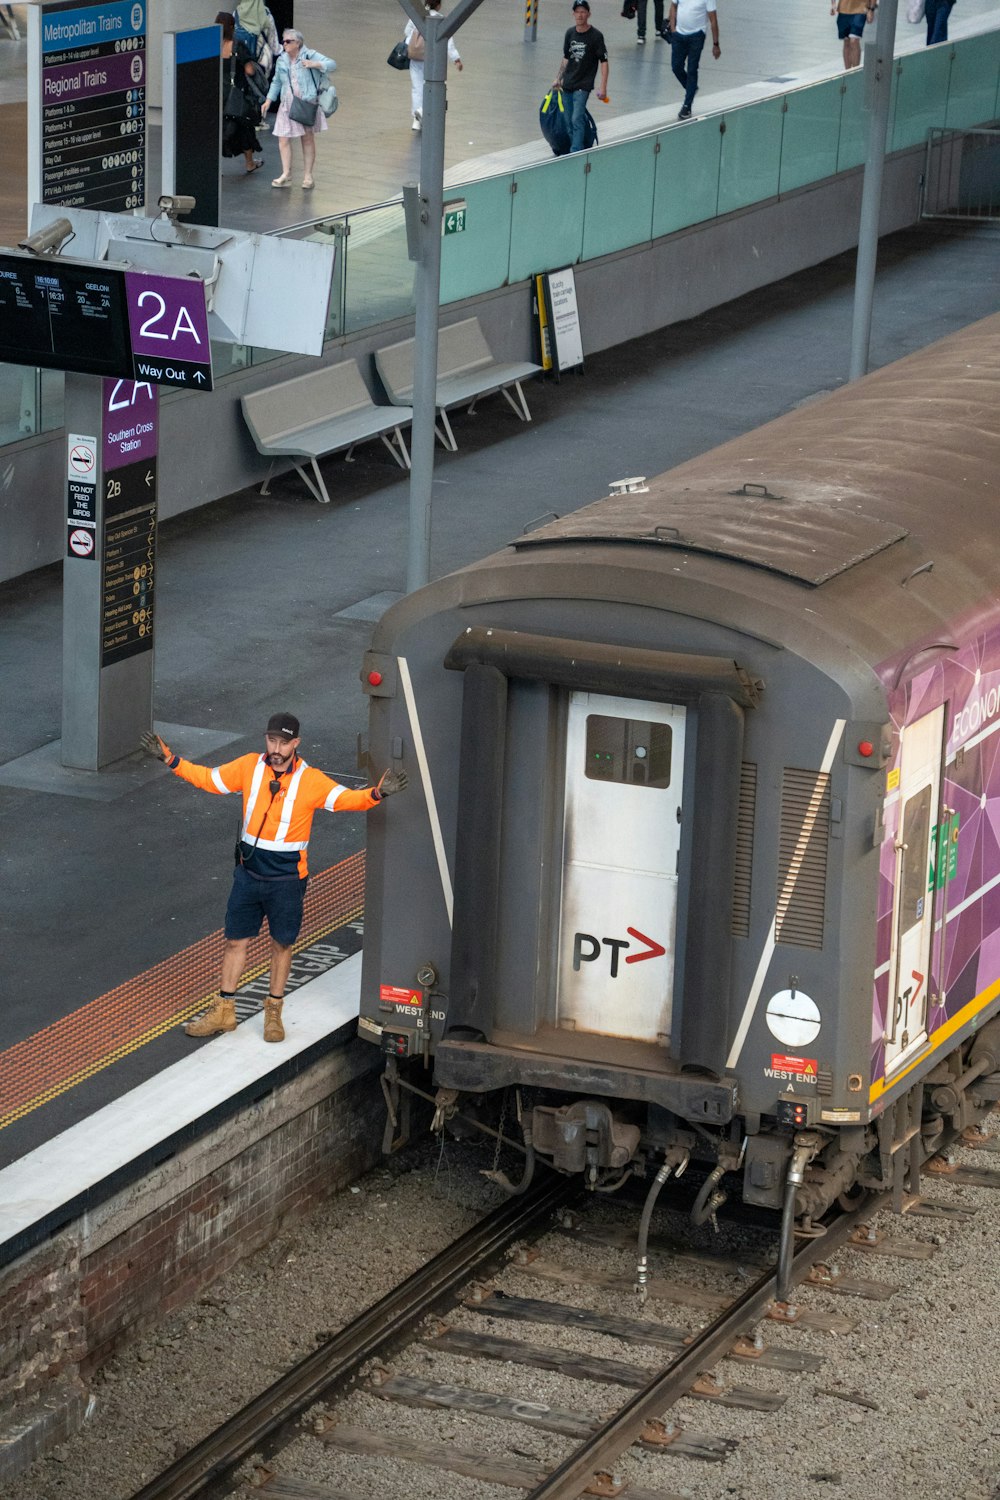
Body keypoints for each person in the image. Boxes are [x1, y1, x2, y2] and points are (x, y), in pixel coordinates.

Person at [140, 714, 407, 1043]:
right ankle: (224, 1010)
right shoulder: (249, 766)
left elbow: (344, 800)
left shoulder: (311, 780)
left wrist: (377, 794)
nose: (276, 749)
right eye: (271, 741)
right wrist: (170, 758)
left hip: (287, 881)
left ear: (296, 743)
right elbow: (209, 780)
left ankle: (273, 1014)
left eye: (283, 742)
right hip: (248, 874)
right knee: (235, 940)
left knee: (282, 944)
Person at [261, 28, 335, 189]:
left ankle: (308, 176)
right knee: (283, 138)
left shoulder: (309, 55)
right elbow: (276, 81)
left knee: (307, 138)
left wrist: (315, 64)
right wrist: (268, 100)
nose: (284, 44)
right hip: (287, 103)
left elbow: (332, 64)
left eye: (288, 41)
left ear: (298, 43)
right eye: (284, 41)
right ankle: (286, 174)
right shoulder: (282, 60)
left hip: (306, 102)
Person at [553, 1, 609, 155]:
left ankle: (575, 152)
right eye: (577, 12)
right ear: (573, 14)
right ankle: (580, 146)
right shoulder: (570, 33)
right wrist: (558, 78)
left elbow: (604, 62)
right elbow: (566, 58)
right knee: (569, 121)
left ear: (589, 14)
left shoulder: (596, 36)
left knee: (577, 118)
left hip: (583, 85)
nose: (580, 15)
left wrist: (603, 86)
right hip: (568, 84)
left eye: (583, 11)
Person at [404, 0, 463, 134]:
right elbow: (448, 41)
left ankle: (416, 119)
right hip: (432, 59)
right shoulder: (439, 19)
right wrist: (456, 59)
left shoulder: (417, 16)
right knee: (434, 87)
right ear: (438, 5)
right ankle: (422, 111)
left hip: (415, 58)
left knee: (417, 88)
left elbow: (407, 32)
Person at [217, 12, 264, 175]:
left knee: (219, 129)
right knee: (244, 127)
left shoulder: (211, 44)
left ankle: (216, 167)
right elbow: (250, 70)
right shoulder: (237, 45)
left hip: (218, 93)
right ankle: (249, 163)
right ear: (232, 26)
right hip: (235, 94)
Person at [666, 0, 719, 119]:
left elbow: (713, 20)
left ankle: (687, 105)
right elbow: (673, 6)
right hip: (679, 35)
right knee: (676, 67)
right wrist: (673, 27)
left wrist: (716, 44)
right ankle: (691, 87)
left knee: (692, 69)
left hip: (697, 36)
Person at [831, 0, 874, 69]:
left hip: (861, 10)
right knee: (846, 42)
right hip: (843, 10)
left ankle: (855, 70)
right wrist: (833, 5)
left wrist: (871, 10)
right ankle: (847, 71)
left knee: (854, 41)